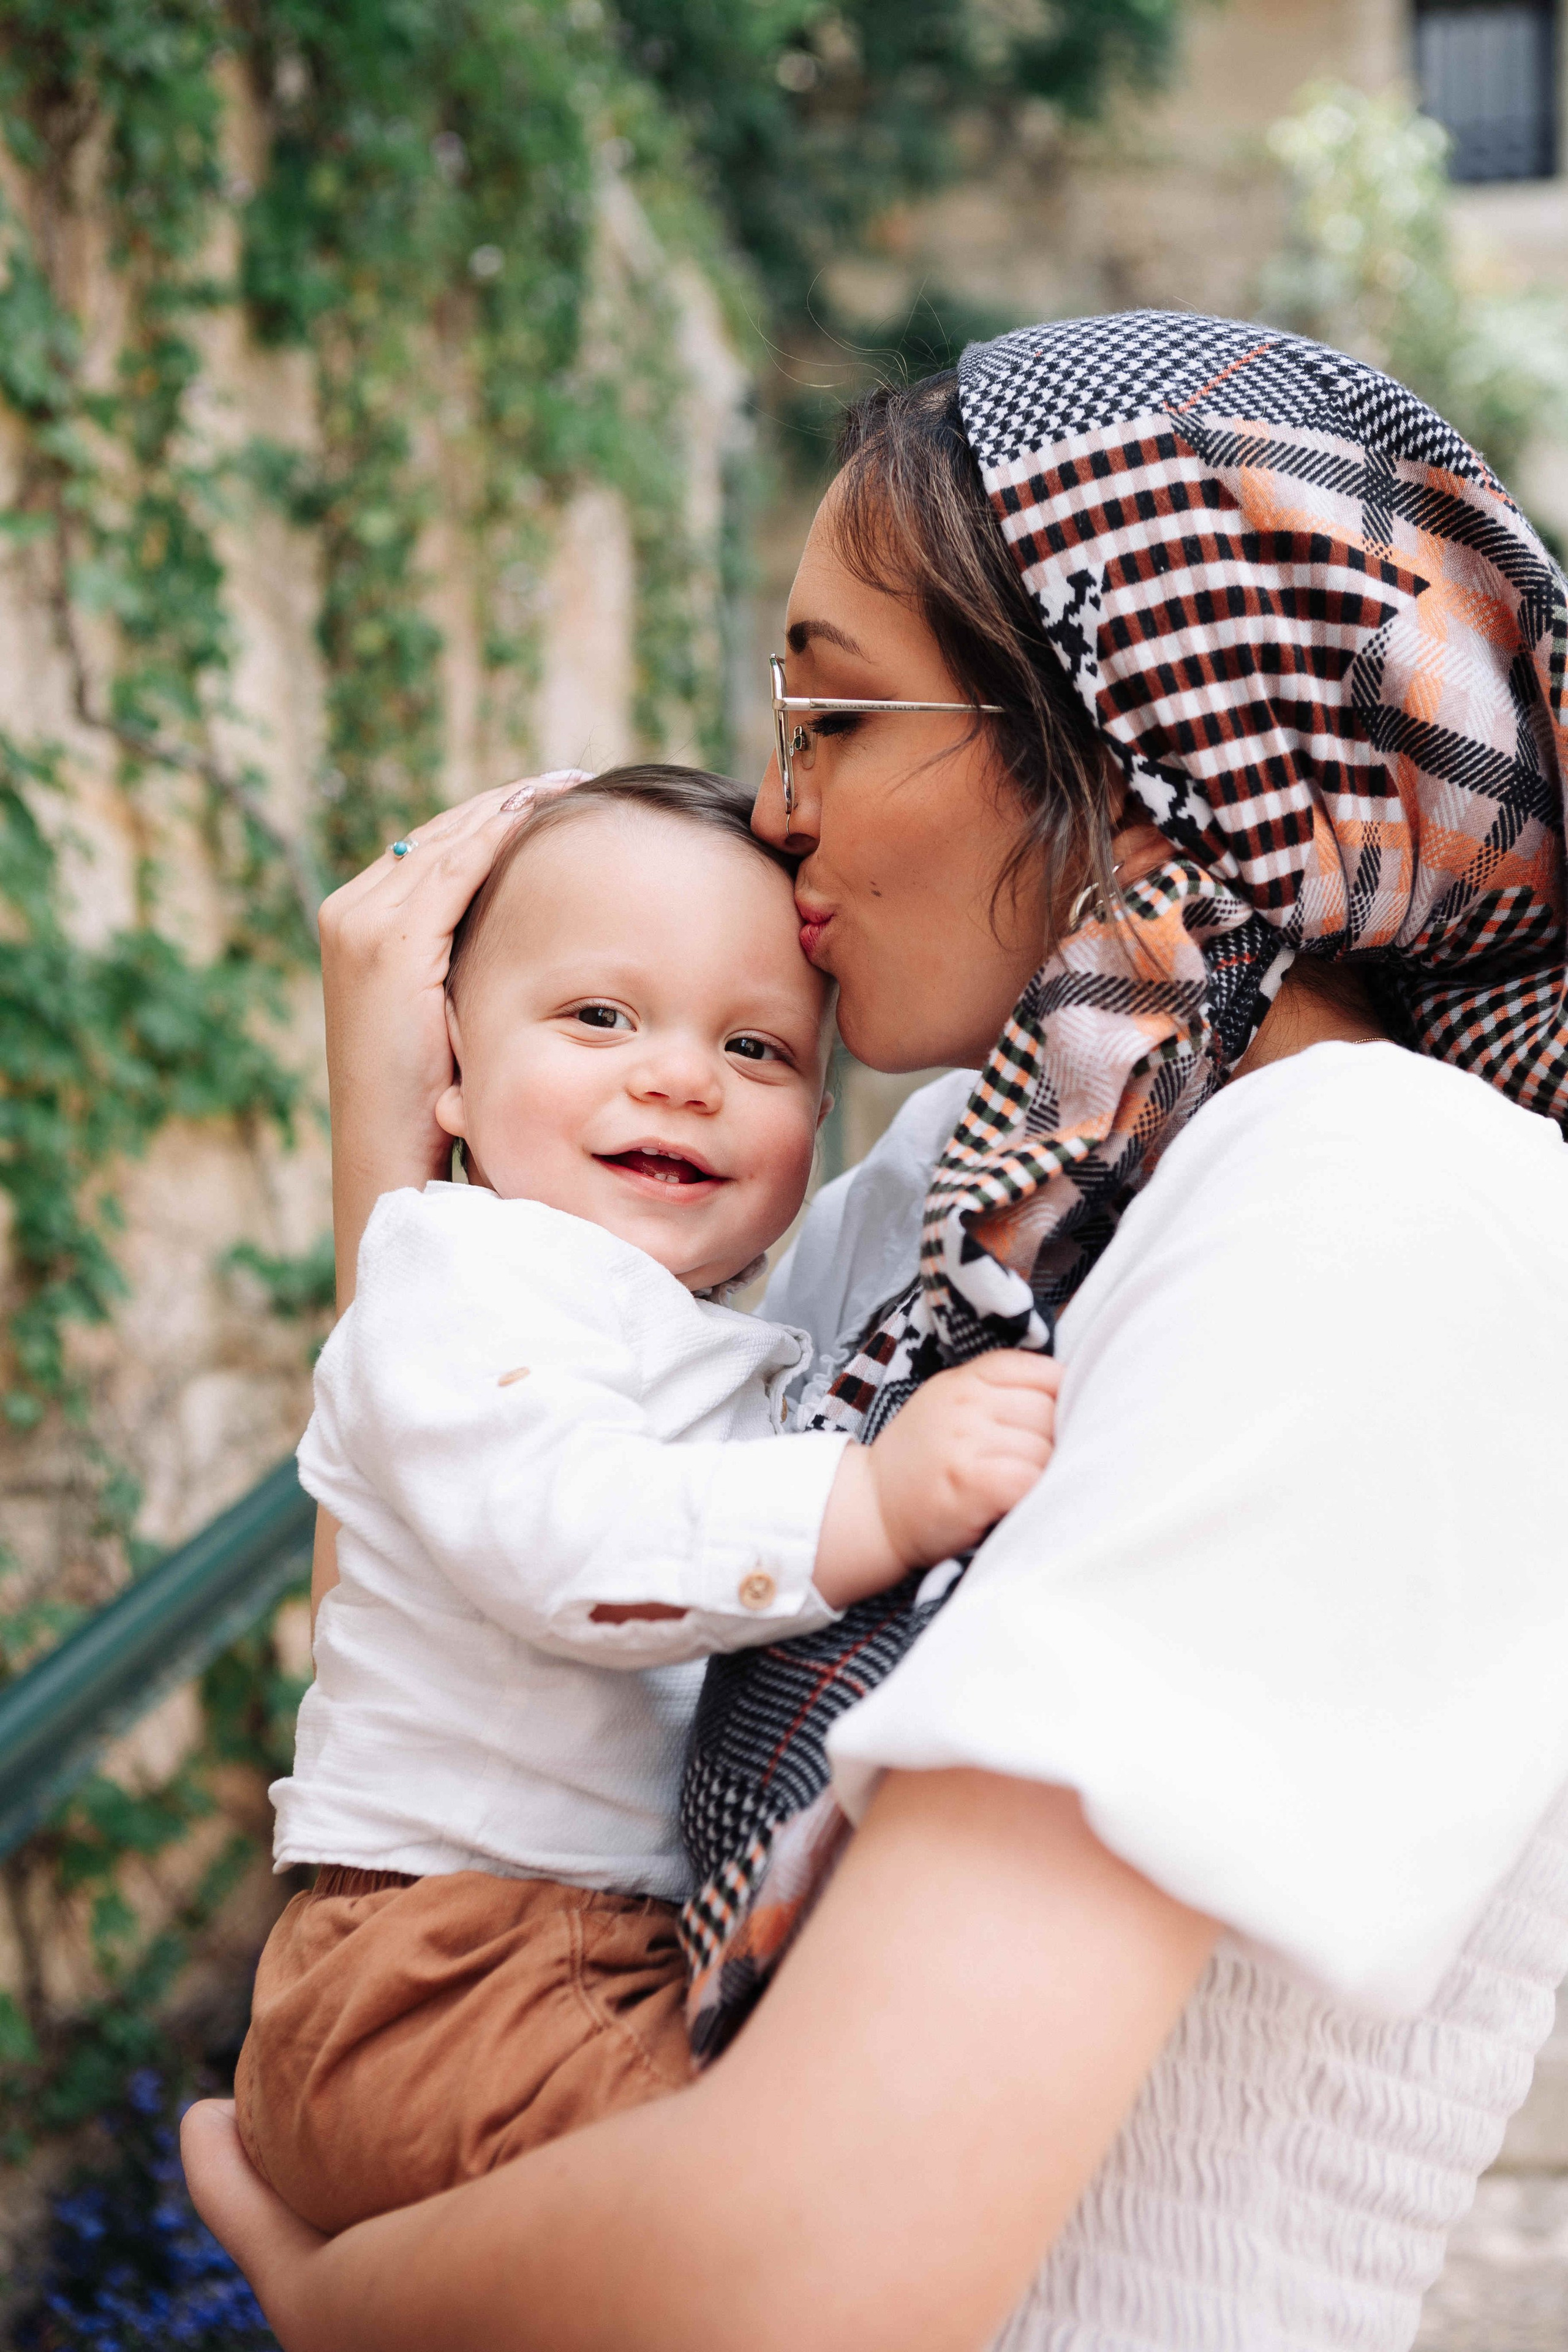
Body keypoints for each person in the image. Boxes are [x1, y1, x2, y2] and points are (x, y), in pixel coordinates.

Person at [184, 312, 1568, 2352]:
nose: (775, 810)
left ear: (1132, 721)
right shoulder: (986, 1187)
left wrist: (331, 2301)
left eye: (837, 714)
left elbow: (812, 2266)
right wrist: (408, 1145)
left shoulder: (1380, 1199)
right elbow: (489, 1561)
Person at [236, 764, 1058, 2234]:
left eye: (752, 1046)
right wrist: (870, 1504)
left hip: (553, 1949)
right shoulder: (459, 1275)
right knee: (765, 2219)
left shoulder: (678, 1315)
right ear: (450, 1074)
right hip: (440, 1965)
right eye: (599, 1017)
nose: (679, 1076)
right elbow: (576, 1542)